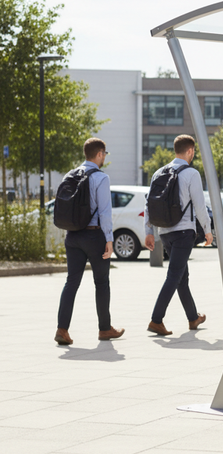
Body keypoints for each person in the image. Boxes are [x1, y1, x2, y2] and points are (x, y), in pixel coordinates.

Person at [55, 138, 124, 345]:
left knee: (71, 282)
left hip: (73, 235)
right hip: (95, 236)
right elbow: (104, 211)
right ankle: (105, 329)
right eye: (104, 155)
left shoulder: (70, 174)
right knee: (102, 283)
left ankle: (62, 329)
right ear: (100, 154)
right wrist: (109, 240)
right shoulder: (101, 178)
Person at [144, 134, 213, 336]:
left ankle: (193, 318)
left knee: (181, 276)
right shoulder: (191, 173)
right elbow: (200, 206)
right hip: (183, 231)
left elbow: (148, 205)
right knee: (175, 275)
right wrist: (207, 230)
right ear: (190, 151)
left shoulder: (158, 173)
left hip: (164, 231)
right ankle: (156, 320)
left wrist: (149, 231)